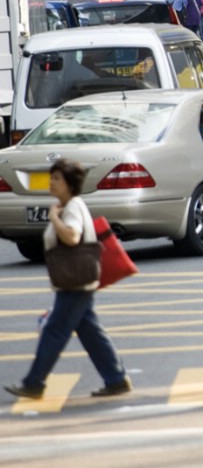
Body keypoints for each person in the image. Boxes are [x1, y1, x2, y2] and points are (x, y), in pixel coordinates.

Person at [5, 159, 132, 400]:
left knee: (54, 331)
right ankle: (116, 379)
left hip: (75, 281)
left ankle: (34, 382)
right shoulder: (70, 204)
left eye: (57, 179)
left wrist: (54, 218)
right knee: (90, 331)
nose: (51, 183)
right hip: (79, 279)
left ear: (70, 184)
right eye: (51, 178)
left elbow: (72, 237)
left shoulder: (71, 207)